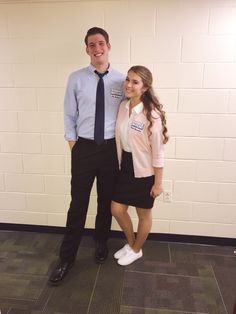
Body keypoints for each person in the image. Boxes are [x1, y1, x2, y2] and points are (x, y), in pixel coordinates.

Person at [49, 27, 125, 285]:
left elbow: (131, 113)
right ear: (87, 49)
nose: (97, 48)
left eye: (101, 43)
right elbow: (69, 114)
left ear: (108, 46)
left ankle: (101, 242)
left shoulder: (121, 80)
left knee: (106, 202)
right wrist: (73, 143)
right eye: (92, 44)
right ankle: (66, 258)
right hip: (83, 147)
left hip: (110, 150)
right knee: (78, 203)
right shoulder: (76, 78)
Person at [111, 65, 168, 266]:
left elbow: (158, 151)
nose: (128, 84)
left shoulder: (151, 114)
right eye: (128, 79)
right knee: (117, 209)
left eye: (135, 82)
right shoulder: (123, 107)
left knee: (143, 214)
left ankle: (136, 250)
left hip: (144, 172)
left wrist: (157, 183)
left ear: (145, 87)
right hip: (125, 167)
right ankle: (132, 244)